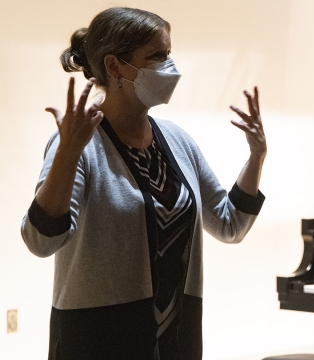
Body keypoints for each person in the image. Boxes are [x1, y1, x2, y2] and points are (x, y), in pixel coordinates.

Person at [20, 7, 266, 360]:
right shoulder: (77, 142)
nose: (170, 67)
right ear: (114, 66)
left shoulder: (178, 142)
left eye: (169, 54)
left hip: (175, 342)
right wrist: (68, 155)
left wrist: (256, 156)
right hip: (99, 340)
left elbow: (231, 224)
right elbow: (40, 240)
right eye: (156, 56)